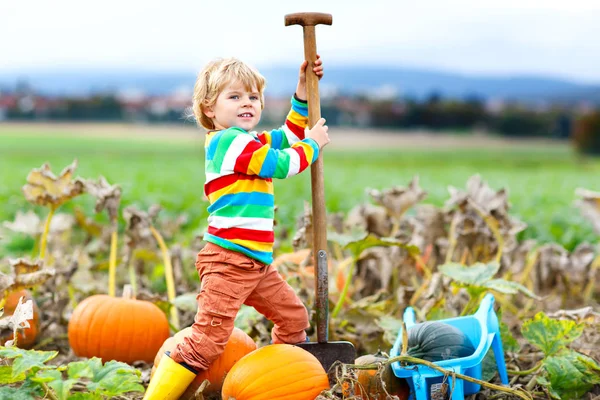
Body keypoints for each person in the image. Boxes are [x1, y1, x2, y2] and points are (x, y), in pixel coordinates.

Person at [144, 56, 330, 399]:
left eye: (253, 97)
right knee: (207, 341)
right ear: (209, 108)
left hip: (255, 263)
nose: (247, 102)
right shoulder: (228, 142)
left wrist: (301, 96)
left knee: (293, 318)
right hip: (228, 262)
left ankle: (282, 384)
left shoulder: (249, 140)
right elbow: (283, 163)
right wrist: (314, 144)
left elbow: (287, 137)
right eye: (235, 97)